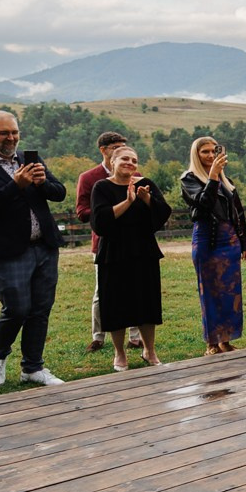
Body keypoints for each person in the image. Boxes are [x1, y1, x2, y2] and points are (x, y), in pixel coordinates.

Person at [0, 110, 67, 387]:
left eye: (14, 132)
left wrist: (42, 183)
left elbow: (60, 192)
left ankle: (33, 367)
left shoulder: (29, 159)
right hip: (7, 250)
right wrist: (15, 185)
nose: (11, 138)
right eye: (4, 133)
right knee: (17, 309)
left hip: (44, 245)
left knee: (40, 308)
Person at [91, 146, 171, 368]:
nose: (130, 163)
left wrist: (147, 199)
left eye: (134, 160)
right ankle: (120, 353)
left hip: (143, 250)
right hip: (114, 253)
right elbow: (99, 221)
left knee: (147, 303)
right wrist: (128, 201)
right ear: (113, 161)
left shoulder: (146, 183)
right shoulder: (102, 187)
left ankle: (149, 350)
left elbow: (163, 213)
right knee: (115, 304)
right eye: (125, 159)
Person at [181, 135, 246, 353]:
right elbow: (203, 206)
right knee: (210, 293)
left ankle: (226, 340)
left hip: (230, 241)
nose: (211, 155)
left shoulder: (226, 181)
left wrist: (244, 244)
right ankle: (212, 343)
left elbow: (238, 213)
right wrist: (212, 177)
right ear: (196, 154)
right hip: (207, 241)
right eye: (205, 152)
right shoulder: (189, 179)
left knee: (231, 293)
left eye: (213, 151)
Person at [76, 131, 129, 352]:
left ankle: (136, 335)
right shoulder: (89, 178)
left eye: (123, 147)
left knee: (133, 287)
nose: (120, 151)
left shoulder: (134, 174)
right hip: (104, 241)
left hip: (131, 239)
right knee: (103, 290)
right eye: (115, 147)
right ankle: (98, 336)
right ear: (103, 150)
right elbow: (82, 211)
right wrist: (107, 212)